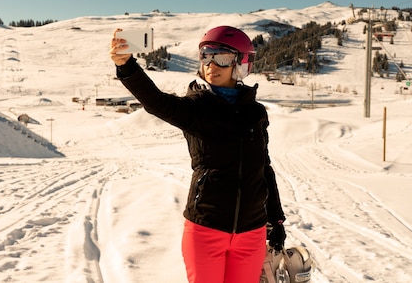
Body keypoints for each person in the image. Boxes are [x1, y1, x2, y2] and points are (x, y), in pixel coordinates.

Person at [110, 25, 286, 283]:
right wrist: (127, 67)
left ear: (241, 63)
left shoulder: (256, 113)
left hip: (252, 233)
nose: (211, 64)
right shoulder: (195, 108)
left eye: (222, 57)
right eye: (206, 56)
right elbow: (155, 101)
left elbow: (264, 168)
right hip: (206, 230)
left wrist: (276, 220)